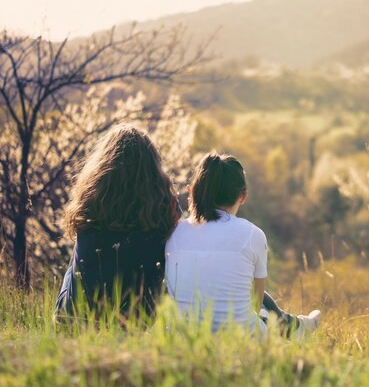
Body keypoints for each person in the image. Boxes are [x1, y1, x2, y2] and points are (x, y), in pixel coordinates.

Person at [165, 153, 320, 337]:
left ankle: (294, 327)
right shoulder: (252, 235)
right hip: (244, 340)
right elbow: (256, 302)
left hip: (183, 337)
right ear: (243, 196)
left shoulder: (174, 233)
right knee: (256, 310)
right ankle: (296, 329)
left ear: (194, 191)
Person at [54, 125, 179, 320]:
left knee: (74, 266)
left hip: (79, 318)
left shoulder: (88, 201)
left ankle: (65, 314)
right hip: (139, 318)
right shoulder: (162, 206)